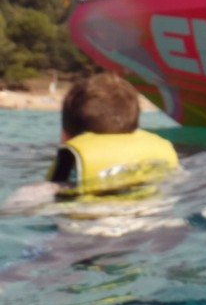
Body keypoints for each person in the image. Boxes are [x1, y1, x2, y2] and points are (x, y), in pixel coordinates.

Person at [4, 73, 179, 210]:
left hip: (86, 235)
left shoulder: (56, 182)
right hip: (158, 231)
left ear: (66, 135)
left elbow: (15, 209)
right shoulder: (163, 166)